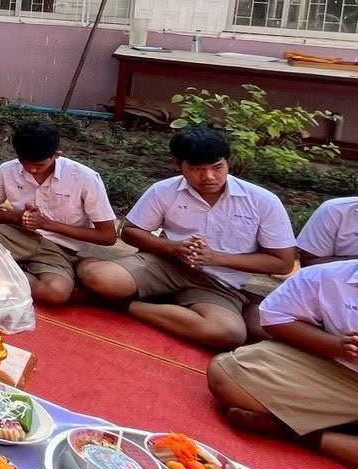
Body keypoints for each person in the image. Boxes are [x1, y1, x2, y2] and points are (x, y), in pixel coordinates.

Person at [208, 192, 358, 469]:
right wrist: (338, 346)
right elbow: (275, 318)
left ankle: (309, 435)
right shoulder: (328, 277)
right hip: (341, 377)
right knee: (229, 374)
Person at [77, 127, 296, 350]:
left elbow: (283, 262)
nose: (209, 177)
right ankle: (96, 270)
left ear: (228, 162)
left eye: (217, 167)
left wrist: (215, 258)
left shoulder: (262, 201)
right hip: (165, 265)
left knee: (228, 333)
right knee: (102, 277)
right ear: (177, 164)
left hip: (219, 283)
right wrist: (173, 248)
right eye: (196, 169)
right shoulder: (164, 190)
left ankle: (124, 305)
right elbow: (130, 231)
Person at [0, 120, 119, 305]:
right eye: (25, 163)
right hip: (13, 235)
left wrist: (46, 224)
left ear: (57, 155)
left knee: (55, 293)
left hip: (58, 248)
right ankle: (10, 270)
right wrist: (19, 218)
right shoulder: (8, 169)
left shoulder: (85, 178)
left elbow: (108, 236)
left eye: (39, 164)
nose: (31, 169)